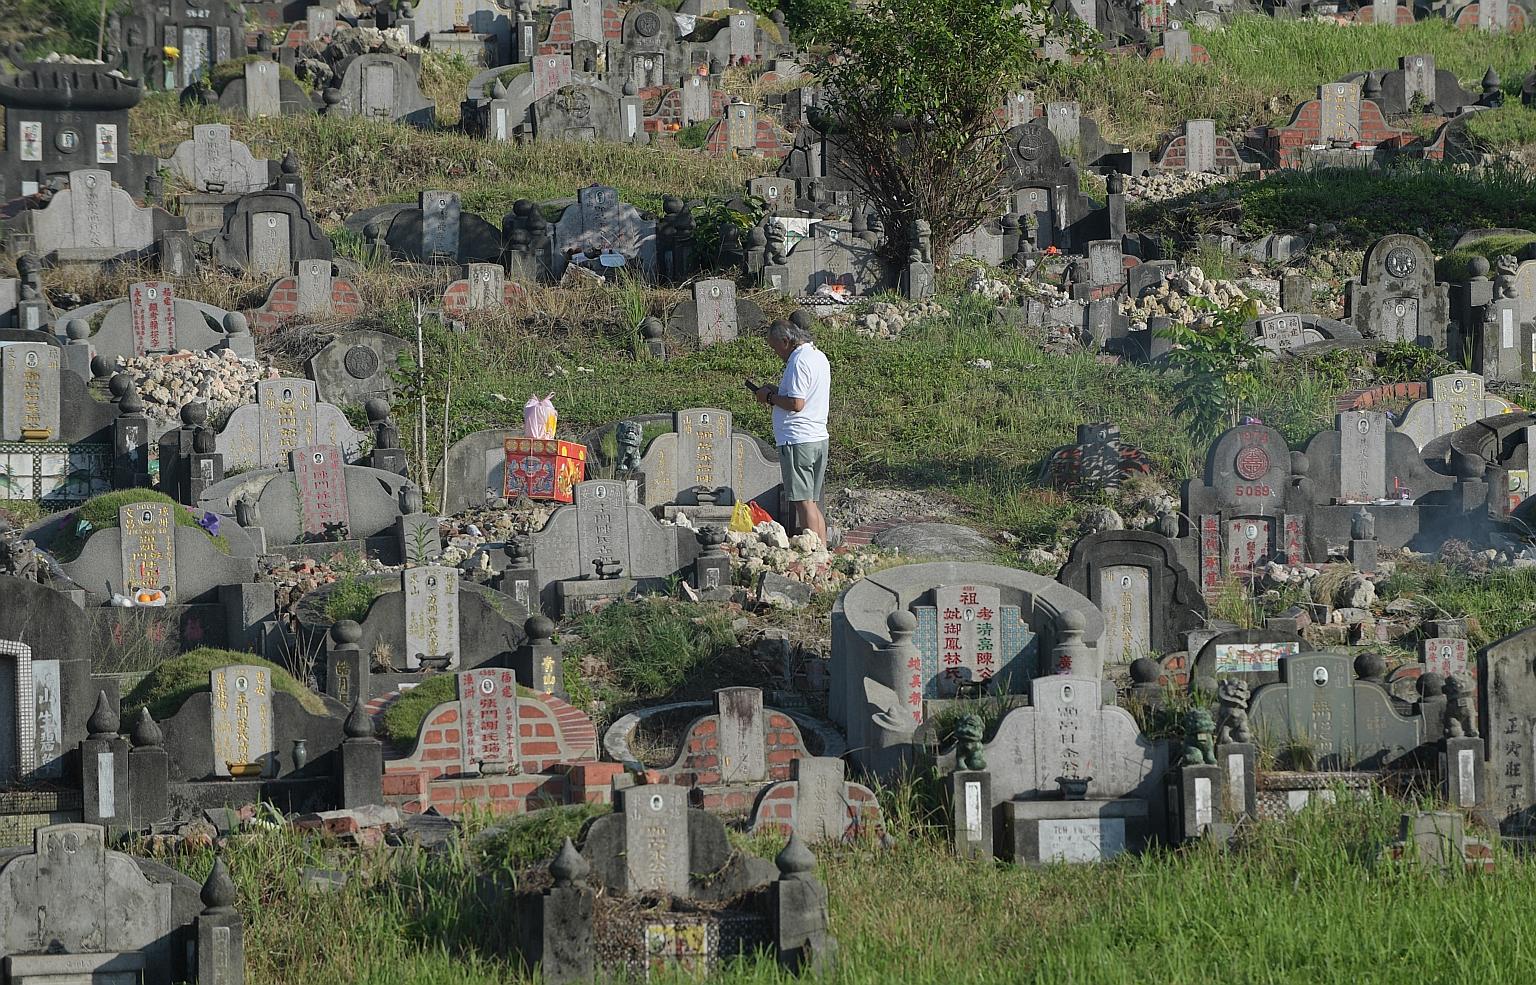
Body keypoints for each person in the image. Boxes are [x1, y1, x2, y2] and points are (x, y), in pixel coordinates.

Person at [755, 321, 830, 546]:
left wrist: (768, 398)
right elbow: (803, 396)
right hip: (817, 437)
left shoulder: (798, 361)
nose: (776, 352)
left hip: (798, 439)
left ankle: (813, 553)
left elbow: (797, 403)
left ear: (786, 341)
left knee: (803, 503)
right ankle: (823, 551)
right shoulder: (819, 356)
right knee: (812, 502)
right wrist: (777, 392)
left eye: (775, 347)